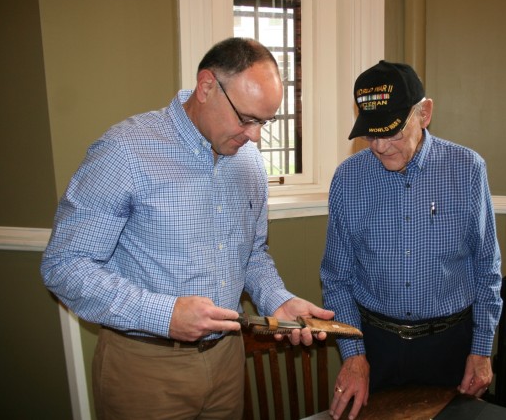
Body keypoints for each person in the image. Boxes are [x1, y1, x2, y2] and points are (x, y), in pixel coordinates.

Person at [41, 37, 333, 419]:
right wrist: (163, 314)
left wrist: (277, 298)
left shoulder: (249, 163)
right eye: (247, 118)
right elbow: (64, 265)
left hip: (228, 359)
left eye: (265, 122)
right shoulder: (125, 150)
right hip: (145, 368)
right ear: (207, 85)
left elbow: (252, 255)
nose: (255, 136)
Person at [320, 61, 502, 420]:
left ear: (425, 113)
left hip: (450, 345)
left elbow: (487, 268)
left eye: (394, 133)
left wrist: (481, 351)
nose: (382, 147)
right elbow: (336, 279)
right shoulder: (347, 178)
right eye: (372, 134)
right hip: (376, 346)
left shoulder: (467, 170)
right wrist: (354, 355)